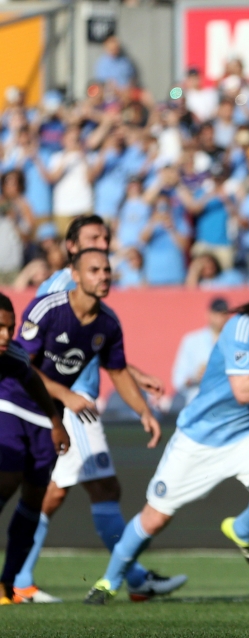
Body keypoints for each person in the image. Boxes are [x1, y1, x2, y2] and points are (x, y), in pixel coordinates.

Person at [85, 273, 249, 604]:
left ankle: (242, 530)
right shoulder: (240, 328)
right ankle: (108, 581)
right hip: (198, 438)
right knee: (155, 518)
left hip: (246, 435)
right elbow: (244, 390)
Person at [14, 216, 183, 605]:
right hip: (70, 404)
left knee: (74, 489)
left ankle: (131, 577)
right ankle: (23, 581)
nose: (103, 243)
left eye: (106, 238)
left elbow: (97, 351)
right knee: (73, 490)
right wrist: (69, 397)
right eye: (93, 238)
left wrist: (133, 376)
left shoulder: (101, 305)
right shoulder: (61, 289)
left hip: (76, 400)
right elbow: (39, 355)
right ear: (72, 250)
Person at [0, 293, 70, 605]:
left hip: (40, 422)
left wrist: (56, 421)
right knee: (9, 476)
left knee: (33, 494)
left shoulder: (13, 355)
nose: (6, 335)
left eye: (10, 328)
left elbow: (35, 385)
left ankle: (8, 584)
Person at [171, 298, 231, 407]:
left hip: (225, 405)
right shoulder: (192, 341)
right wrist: (195, 377)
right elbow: (178, 380)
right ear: (208, 314)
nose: (220, 318)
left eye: (223, 314)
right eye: (217, 313)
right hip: (198, 404)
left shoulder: (234, 342)